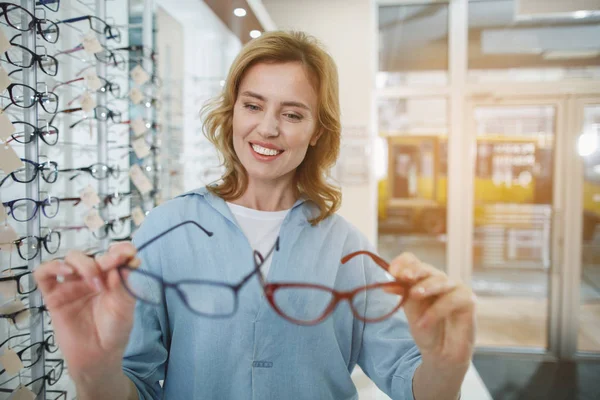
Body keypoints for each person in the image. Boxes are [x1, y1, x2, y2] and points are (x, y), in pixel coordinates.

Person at [35, 31, 476, 400]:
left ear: (317, 129)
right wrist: (95, 373)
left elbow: (411, 381)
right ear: (231, 112)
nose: (268, 128)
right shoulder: (167, 229)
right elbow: (135, 385)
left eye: (292, 113)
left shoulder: (346, 247)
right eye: (253, 105)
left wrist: (447, 365)